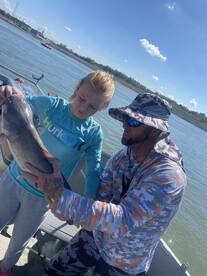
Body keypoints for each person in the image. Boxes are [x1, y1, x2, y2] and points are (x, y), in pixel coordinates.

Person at [23, 93, 187, 276]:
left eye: (133, 122)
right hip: (97, 236)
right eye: (126, 118)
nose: (124, 124)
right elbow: (101, 195)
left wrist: (60, 197)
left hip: (125, 260)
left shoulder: (168, 176)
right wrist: (70, 208)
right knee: (56, 271)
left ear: (155, 131)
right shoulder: (123, 156)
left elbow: (122, 220)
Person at [0, 70, 115, 276]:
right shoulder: (52, 105)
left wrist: (86, 205)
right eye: (82, 98)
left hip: (44, 196)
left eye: (92, 106)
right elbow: (22, 102)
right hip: (13, 178)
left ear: (102, 108)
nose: (83, 107)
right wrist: (9, 90)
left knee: (18, 243)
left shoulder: (93, 133)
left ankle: (4, 269)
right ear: (77, 88)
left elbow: (93, 171)